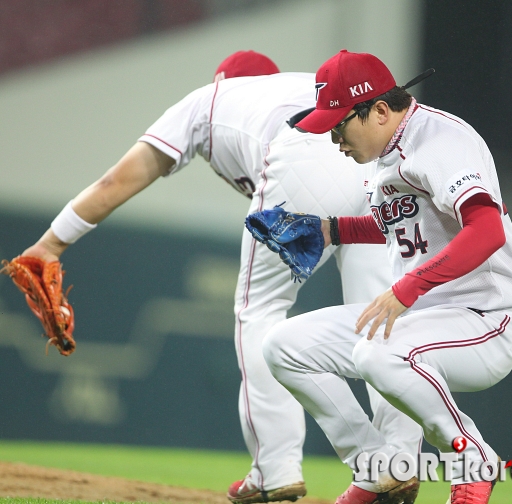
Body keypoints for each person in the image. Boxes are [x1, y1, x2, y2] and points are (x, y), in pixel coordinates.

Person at [18, 51, 422, 503]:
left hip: (309, 152)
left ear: (223, 81)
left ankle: (276, 469)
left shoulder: (208, 99)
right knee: (377, 318)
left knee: (261, 311)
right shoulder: (298, 87)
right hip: (374, 155)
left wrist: (51, 243)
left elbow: (117, 181)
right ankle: (399, 461)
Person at [261, 50, 512, 504]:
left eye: (338, 125)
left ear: (380, 111)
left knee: (375, 353)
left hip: (484, 321)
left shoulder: (442, 141)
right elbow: (403, 227)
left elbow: (487, 230)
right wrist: (332, 230)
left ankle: (472, 460)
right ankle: (382, 469)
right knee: (284, 347)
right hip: (421, 322)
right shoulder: (388, 153)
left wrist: (408, 289)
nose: (334, 140)